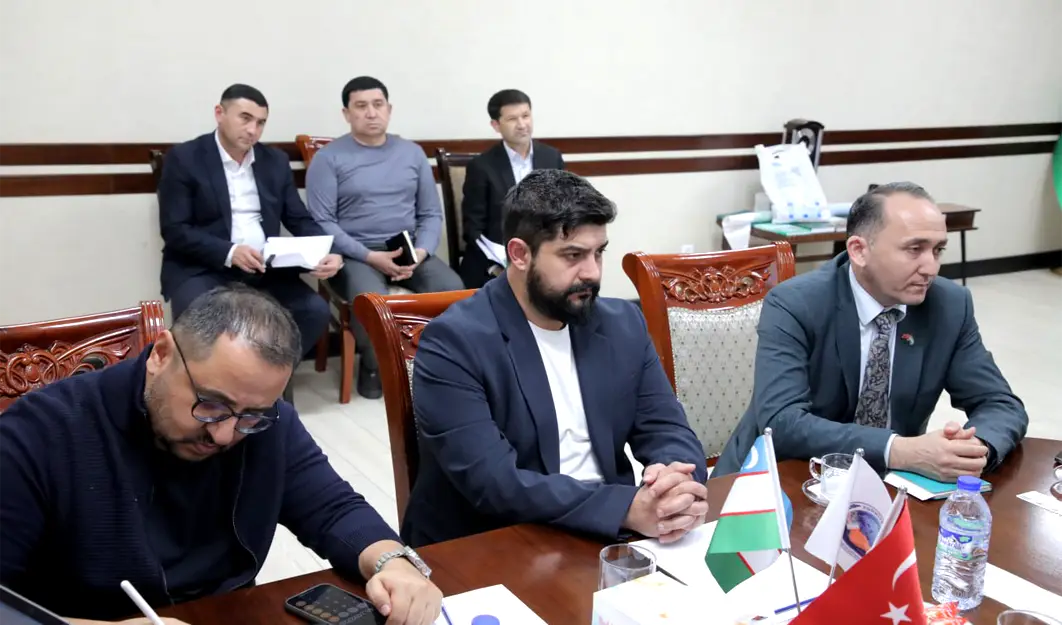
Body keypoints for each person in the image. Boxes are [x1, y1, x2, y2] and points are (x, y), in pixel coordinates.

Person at [0, 285, 442, 625]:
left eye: (251, 415)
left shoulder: (266, 424)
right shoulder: (39, 435)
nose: (225, 433)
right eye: (211, 404)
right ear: (161, 355)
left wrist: (392, 562)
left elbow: (333, 509)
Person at [402, 169, 709, 548]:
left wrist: (674, 481)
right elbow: (494, 483)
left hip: (612, 532)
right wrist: (626, 509)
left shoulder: (622, 324)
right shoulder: (452, 343)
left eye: (599, 252)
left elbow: (667, 427)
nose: (592, 273)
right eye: (573, 255)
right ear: (519, 254)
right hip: (494, 540)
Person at [715, 182, 1028, 479]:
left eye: (937, 250)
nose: (931, 268)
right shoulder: (795, 303)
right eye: (914, 249)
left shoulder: (949, 305)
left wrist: (973, 450)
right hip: (781, 478)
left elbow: (1000, 404)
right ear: (859, 250)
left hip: (890, 485)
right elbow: (782, 423)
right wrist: (900, 451)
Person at [306, 76, 463, 400]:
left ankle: (438, 367)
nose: (371, 113)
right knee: (373, 301)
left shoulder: (412, 153)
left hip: (409, 249)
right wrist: (369, 256)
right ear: (346, 114)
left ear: (389, 109)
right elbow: (323, 221)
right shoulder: (329, 158)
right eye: (361, 106)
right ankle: (374, 365)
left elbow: (430, 214)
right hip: (355, 254)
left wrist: (421, 252)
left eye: (378, 105)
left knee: (453, 290)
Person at [158, 84, 340, 360]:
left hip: (263, 269)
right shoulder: (185, 158)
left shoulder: (274, 161)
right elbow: (175, 229)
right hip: (204, 268)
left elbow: (298, 218)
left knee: (313, 310)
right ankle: (213, 383)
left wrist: (328, 251)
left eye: (260, 123)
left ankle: (268, 380)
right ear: (220, 113)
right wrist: (230, 252)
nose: (253, 130)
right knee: (198, 318)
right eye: (245, 118)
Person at [458, 89, 565, 288]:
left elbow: (562, 211)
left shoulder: (552, 158)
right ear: (496, 125)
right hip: (496, 261)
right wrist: (496, 265)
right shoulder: (482, 166)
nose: (522, 124)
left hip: (543, 255)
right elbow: (473, 228)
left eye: (526, 116)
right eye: (512, 119)